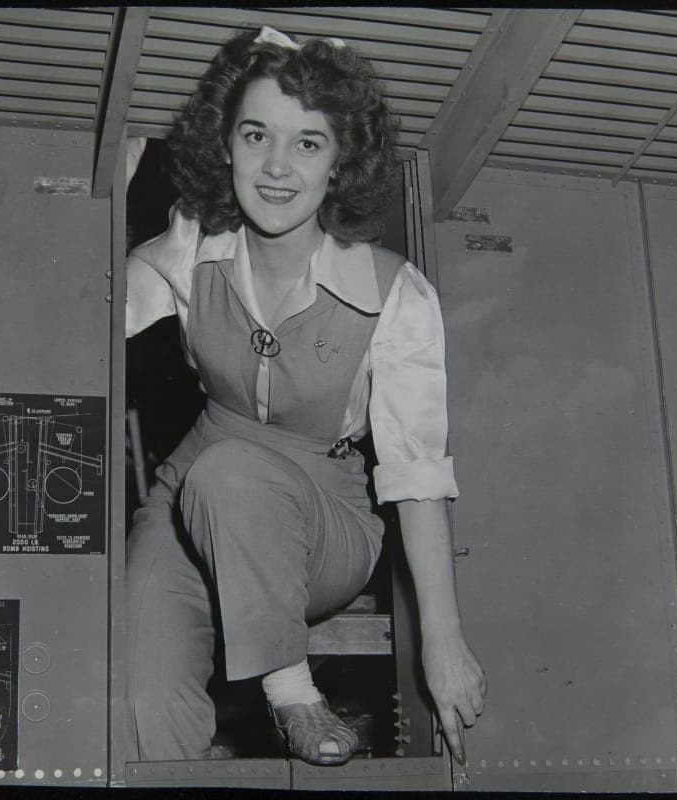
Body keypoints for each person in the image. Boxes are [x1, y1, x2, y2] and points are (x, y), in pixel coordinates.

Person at [122, 25, 485, 767]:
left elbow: (416, 479)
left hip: (324, 515)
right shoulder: (191, 246)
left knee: (228, 472)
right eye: (256, 135)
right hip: (186, 492)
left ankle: (291, 694)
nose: (277, 167)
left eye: (307, 143)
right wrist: (104, 190)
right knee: (135, 690)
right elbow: (83, 316)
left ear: (339, 162)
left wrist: (443, 639)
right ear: (224, 145)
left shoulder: (395, 296)